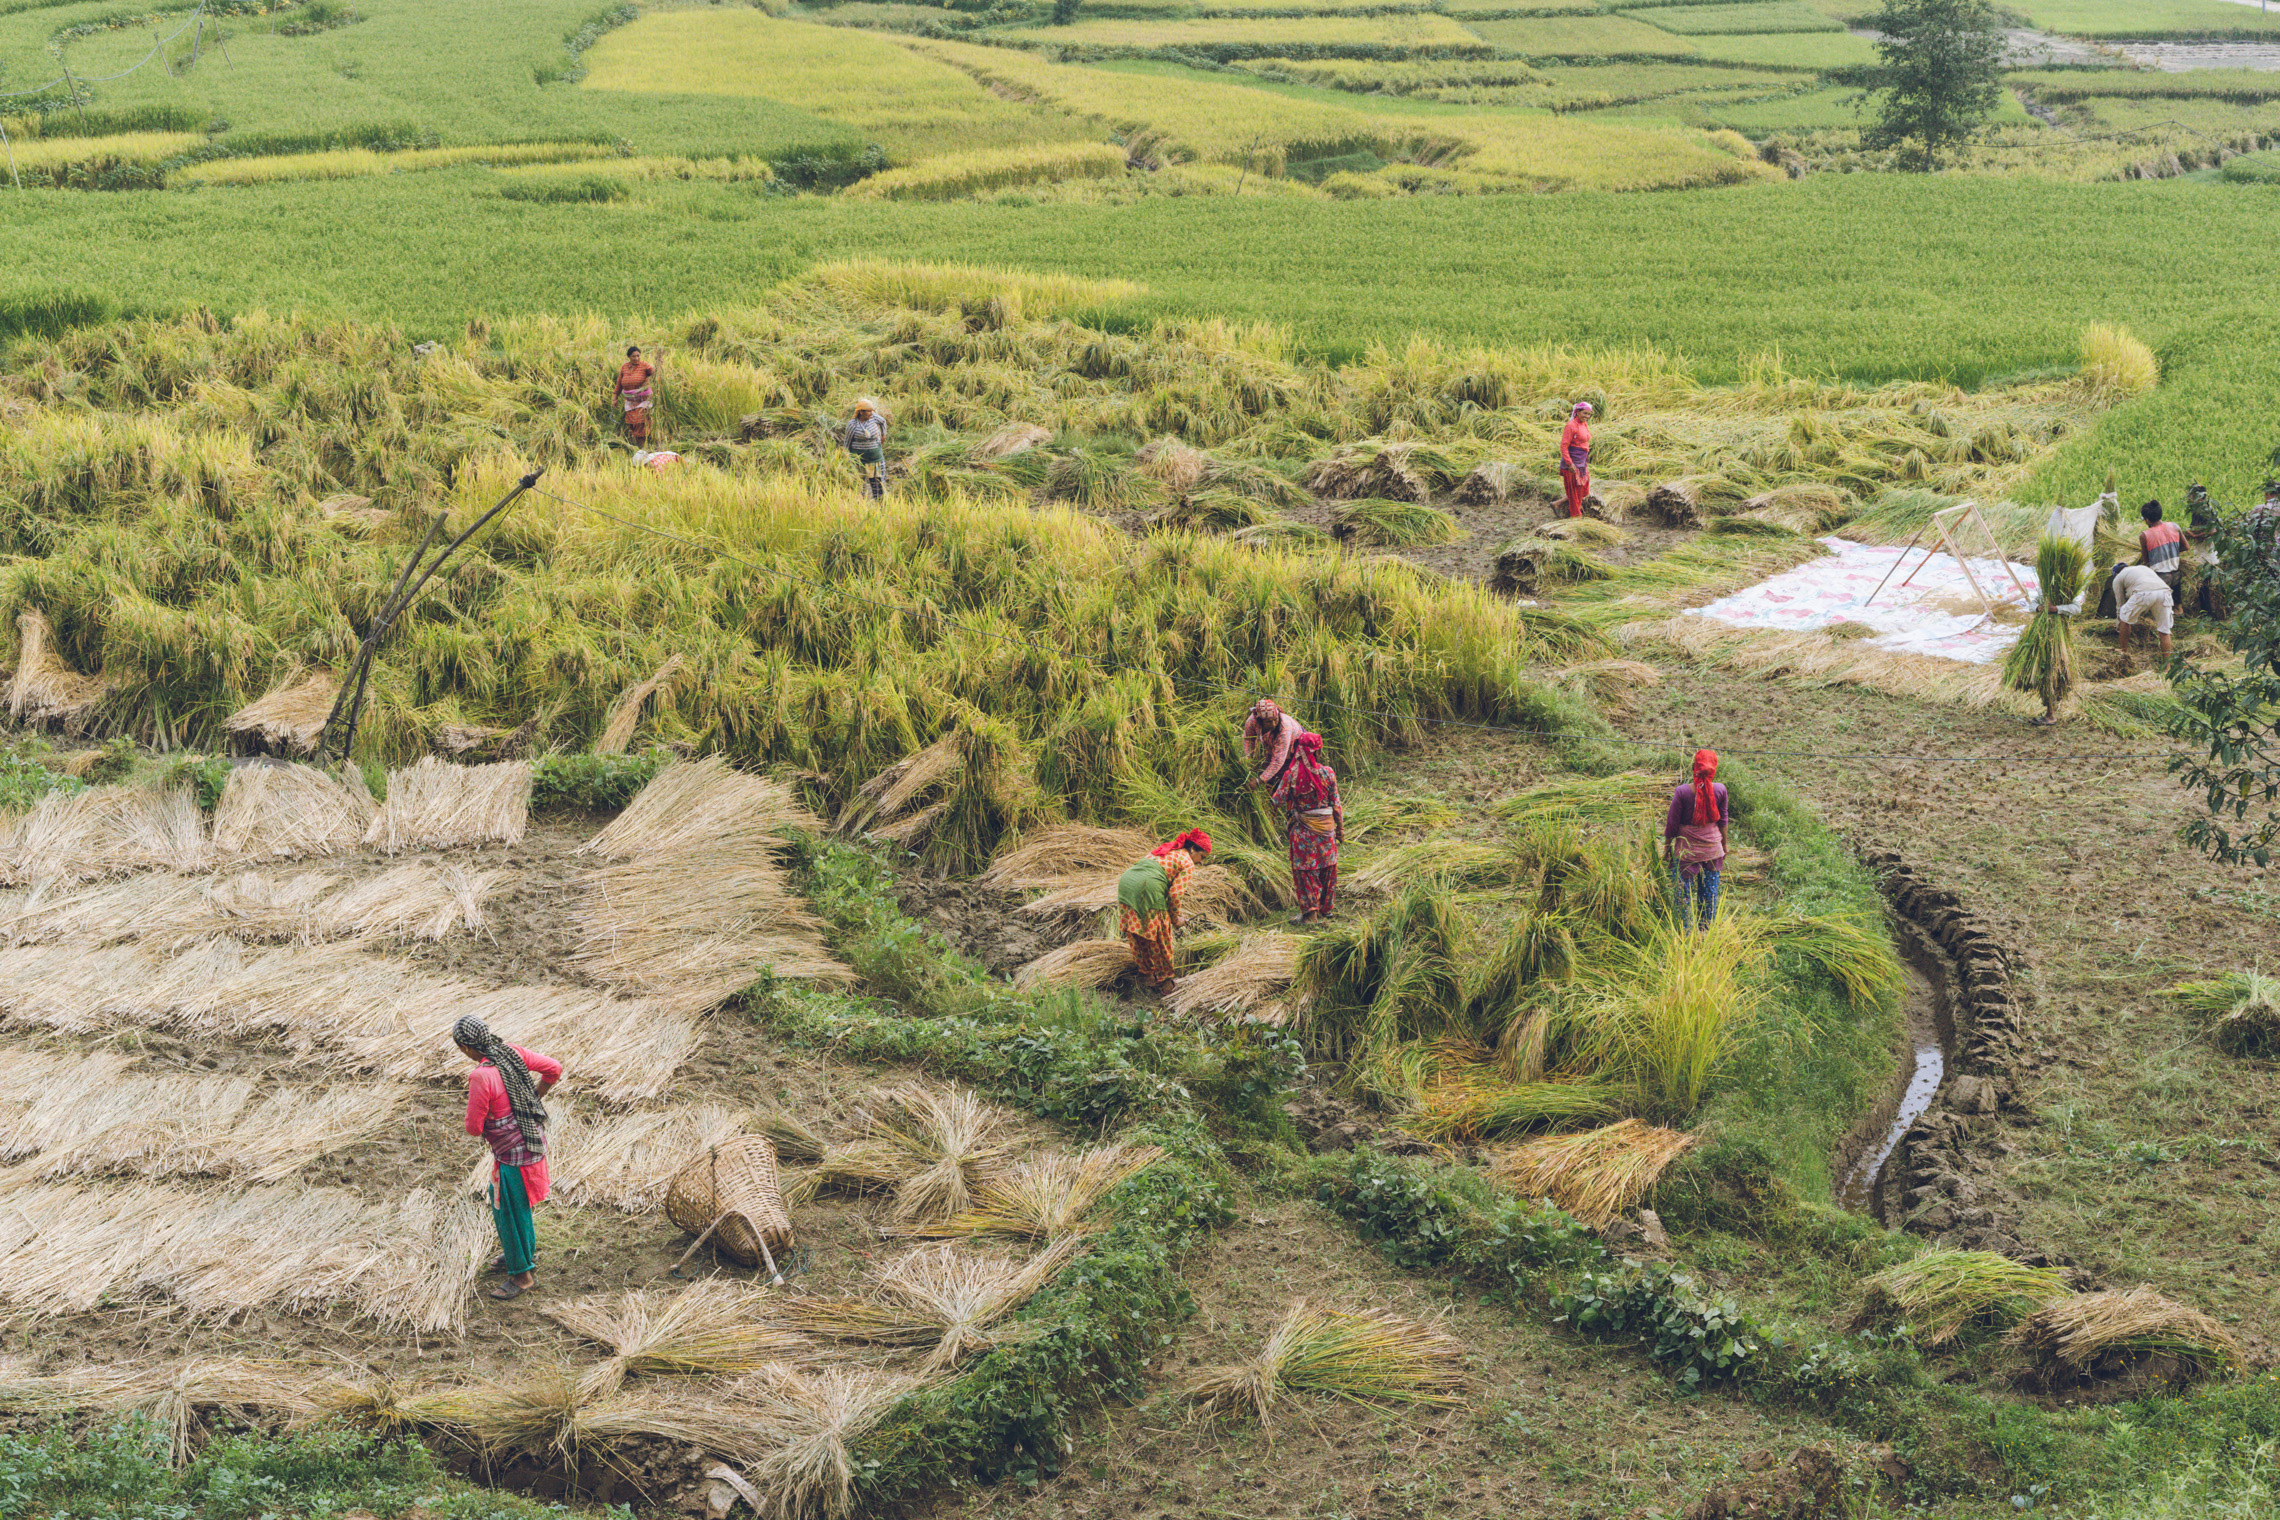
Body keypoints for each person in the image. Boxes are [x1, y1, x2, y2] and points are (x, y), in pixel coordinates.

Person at [456, 1015, 562, 1302]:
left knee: (506, 1208)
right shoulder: (511, 1052)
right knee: (517, 1203)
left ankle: (521, 1275)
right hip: (532, 1141)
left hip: (511, 1154)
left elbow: (473, 1127)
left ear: (466, 1047)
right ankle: (522, 1253)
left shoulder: (481, 1076)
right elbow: (554, 1068)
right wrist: (536, 1095)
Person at [1117, 829, 1212, 995]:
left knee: (1137, 932)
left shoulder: (1168, 850)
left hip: (1127, 884)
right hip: (1148, 887)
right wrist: (1175, 919)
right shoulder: (1187, 862)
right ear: (1192, 849)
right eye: (1202, 857)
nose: (1201, 862)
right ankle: (1166, 982)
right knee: (1161, 937)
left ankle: (1147, 976)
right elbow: (1175, 895)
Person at [1271, 731, 1343, 925]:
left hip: (1302, 832)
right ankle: (1326, 910)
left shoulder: (1291, 776)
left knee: (1305, 871)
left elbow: (1277, 800)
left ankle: (1310, 914)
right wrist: (1340, 830)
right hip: (1326, 830)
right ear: (1317, 752)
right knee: (1327, 867)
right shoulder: (1328, 773)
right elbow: (1336, 804)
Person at [1662, 749, 1728, 931]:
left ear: (1694, 768)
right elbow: (1723, 819)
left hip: (1686, 852)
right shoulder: (1721, 790)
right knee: (1709, 895)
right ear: (1714, 770)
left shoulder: (1682, 792)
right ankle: (1705, 933)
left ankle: (1684, 933)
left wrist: (1667, 848)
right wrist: (1724, 845)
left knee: (1682, 895)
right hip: (1713, 851)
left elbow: (1672, 824)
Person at [2110, 561, 2173, 658]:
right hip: (2164, 593)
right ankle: (2167, 667)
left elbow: (2120, 605)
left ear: (2116, 574)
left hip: (2143, 593)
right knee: (2164, 630)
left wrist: (2119, 624)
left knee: (2124, 616)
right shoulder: (2142, 568)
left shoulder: (2117, 578)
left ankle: (2123, 653)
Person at [1241, 697, 1302, 792]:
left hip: (1296, 745)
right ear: (1260, 721)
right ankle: (1272, 801)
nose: (1273, 724)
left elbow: (1277, 761)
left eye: (1275, 719)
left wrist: (1258, 781)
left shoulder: (1284, 728)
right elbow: (1248, 739)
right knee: (1269, 776)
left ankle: (1283, 801)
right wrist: (1248, 759)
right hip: (1273, 746)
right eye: (1269, 721)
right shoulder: (1252, 722)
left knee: (1284, 779)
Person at [2138, 499, 2184, 603]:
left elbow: (2146, 561)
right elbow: (2186, 546)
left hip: (2160, 578)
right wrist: (2171, 551)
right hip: (2176, 574)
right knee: (2177, 606)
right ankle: (2179, 611)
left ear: (2147, 520)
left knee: (2159, 605)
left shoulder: (2144, 535)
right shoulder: (2174, 526)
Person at [1558, 401, 1593, 520]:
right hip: (1572, 464)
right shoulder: (1571, 426)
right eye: (1584, 413)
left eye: (1589, 414)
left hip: (1581, 463)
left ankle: (1558, 503)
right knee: (1574, 493)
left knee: (1584, 490)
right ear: (1577, 412)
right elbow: (1564, 446)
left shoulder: (1584, 424)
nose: (1587, 416)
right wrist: (1569, 463)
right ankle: (1576, 517)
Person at [845, 399, 887, 499]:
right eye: (868, 411)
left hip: (875, 458)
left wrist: (883, 435)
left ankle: (880, 503)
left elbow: (883, 422)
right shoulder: (852, 424)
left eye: (872, 410)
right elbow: (847, 441)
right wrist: (846, 457)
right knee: (860, 482)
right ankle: (860, 502)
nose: (871, 413)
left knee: (878, 482)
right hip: (859, 459)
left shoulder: (874, 418)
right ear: (861, 412)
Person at [615, 346, 656, 446]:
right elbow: (619, 383)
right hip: (630, 401)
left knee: (641, 421)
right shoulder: (624, 367)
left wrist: (657, 369)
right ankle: (639, 444)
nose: (636, 358)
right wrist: (615, 397)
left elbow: (654, 373)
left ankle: (644, 445)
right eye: (634, 356)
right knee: (632, 423)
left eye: (638, 356)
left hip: (643, 400)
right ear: (629, 357)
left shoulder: (644, 366)